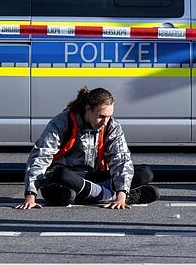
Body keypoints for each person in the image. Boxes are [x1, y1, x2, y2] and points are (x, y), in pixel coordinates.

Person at [16, 87, 159, 210]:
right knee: (61, 177)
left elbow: (121, 159)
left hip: (93, 177)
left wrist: (121, 196)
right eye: (101, 116)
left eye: (109, 116)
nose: (105, 121)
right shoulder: (62, 121)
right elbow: (41, 154)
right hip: (66, 178)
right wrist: (31, 196)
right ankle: (107, 195)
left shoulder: (111, 126)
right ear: (88, 109)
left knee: (145, 173)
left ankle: (101, 195)